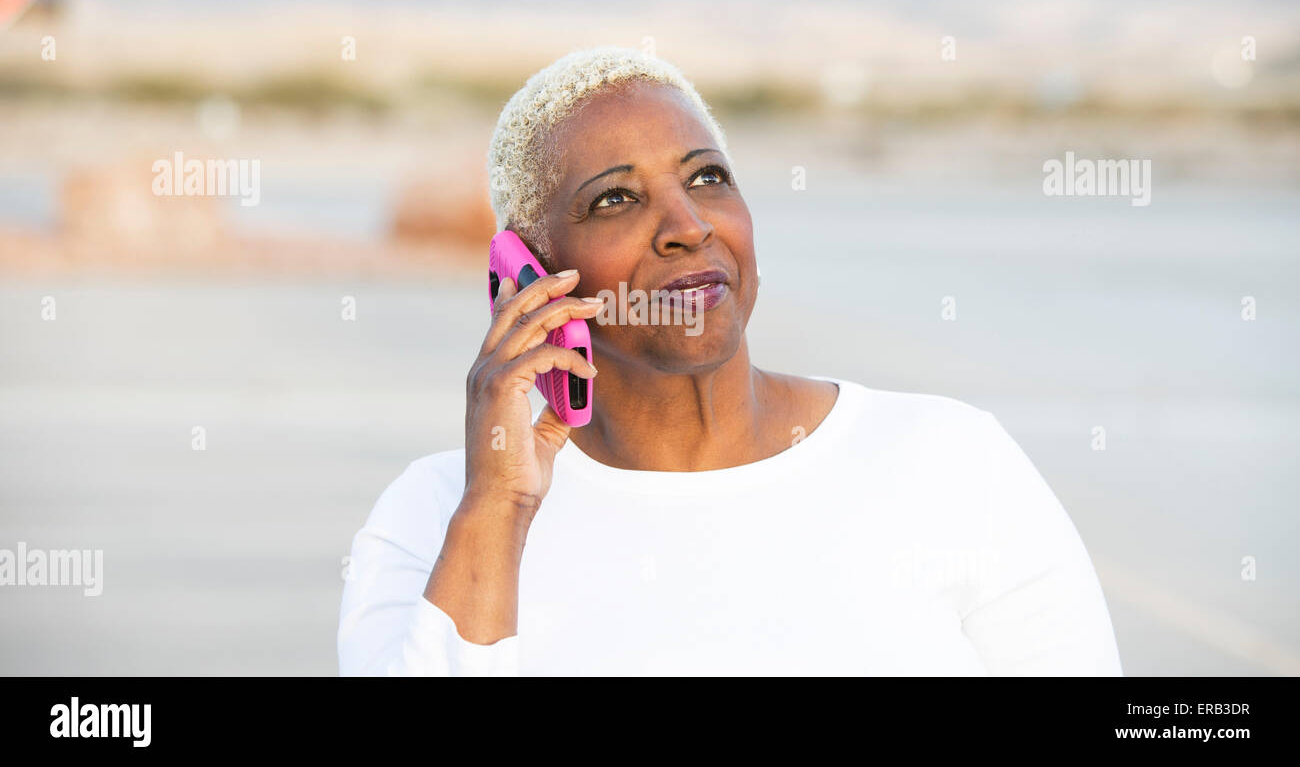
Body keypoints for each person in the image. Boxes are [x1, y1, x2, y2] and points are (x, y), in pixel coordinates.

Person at [337, 46, 1123, 676]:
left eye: (707, 178)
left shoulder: (951, 460)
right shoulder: (435, 514)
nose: (687, 225)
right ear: (530, 272)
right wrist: (498, 505)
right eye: (616, 198)